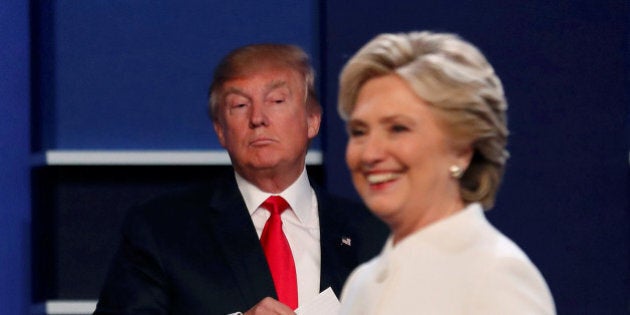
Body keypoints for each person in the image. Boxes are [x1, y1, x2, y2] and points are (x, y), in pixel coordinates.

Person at [93, 43, 387, 315]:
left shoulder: (375, 235)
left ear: (312, 119)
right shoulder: (161, 230)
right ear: (220, 130)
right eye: (240, 105)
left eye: (276, 100)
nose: (258, 118)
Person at [336, 31, 556, 314]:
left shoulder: (495, 275)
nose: (370, 153)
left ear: (462, 149)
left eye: (398, 128)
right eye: (359, 132)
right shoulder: (361, 285)